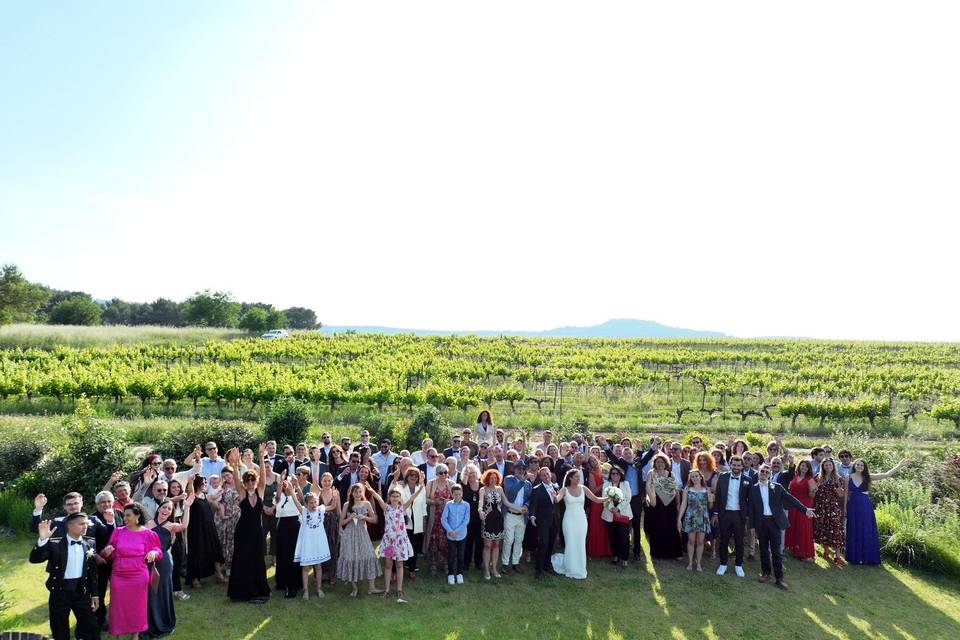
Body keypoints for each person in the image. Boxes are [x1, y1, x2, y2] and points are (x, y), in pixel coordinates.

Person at [31, 513, 101, 640]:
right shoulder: (55, 544)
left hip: (81, 591)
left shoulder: (89, 543)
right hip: (60, 591)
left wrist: (95, 594)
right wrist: (42, 541)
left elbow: (92, 572)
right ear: (69, 525)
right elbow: (35, 559)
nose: (85, 526)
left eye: (86, 524)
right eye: (81, 524)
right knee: (59, 628)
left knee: (91, 627)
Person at [101, 503, 163, 638]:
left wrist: (153, 552)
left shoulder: (148, 534)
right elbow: (109, 553)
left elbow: (159, 551)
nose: (125, 518)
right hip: (119, 575)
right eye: (124, 515)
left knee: (137, 607)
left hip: (139, 576)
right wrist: (107, 551)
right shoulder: (118, 531)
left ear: (138, 516)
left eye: (128, 515)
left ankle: (135, 635)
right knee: (118, 607)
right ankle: (118, 635)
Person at [749, 464, 816, 589]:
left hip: (775, 523)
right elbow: (751, 509)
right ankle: (766, 573)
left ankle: (779, 578)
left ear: (770, 474)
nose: (764, 473)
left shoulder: (777, 487)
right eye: (762, 471)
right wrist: (752, 527)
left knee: (776, 552)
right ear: (758, 472)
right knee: (763, 550)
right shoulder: (753, 489)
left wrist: (805, 509)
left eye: (767, 472)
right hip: (761, 523)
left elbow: (791, 499)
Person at [225, 445, 271, 603]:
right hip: (243, 531)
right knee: (242, 559)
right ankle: (240, 592)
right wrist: (236, 463)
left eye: (253, 480)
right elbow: (236, 479)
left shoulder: (260, 491)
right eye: (248, 481)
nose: (250, 483)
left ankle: (258, 591)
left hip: (257, 531)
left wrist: (261, 456)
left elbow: (263, 475)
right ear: (245, 483)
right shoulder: (242, 492)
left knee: (257, 559)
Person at [145, 496, 194, 637]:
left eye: (169, 509)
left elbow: (184, 526)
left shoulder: (170, 525)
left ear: (171, 512)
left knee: (163, 589)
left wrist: (187, 507)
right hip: (148, 561)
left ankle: (164, 620)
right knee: (151, 590)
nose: (166, 510)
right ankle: (151, 621)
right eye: (164, 507)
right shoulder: (148, 524)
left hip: (164, 562)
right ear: (158, 509)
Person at [846, 458, 908, 565]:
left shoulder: (868, 477)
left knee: (866, 529)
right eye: (858, 465)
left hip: (865, 506)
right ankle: (854, 557)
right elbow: (846, 495)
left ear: (864, 467)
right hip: (853, 506)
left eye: (861, 465)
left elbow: (886, 475)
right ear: (854, 466)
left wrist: (899, 465)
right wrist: (844, 509)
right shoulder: (848, 477)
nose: (859, 466)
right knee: (854, 528)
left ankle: (868, 557)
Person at [369, 485, 421, 603]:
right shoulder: (386, 508)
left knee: (399, 565)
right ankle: (386, 589)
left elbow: (411, 499)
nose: (395, 498)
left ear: (400, 498)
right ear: (390, 497)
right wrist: (371, 490)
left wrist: (419, 490)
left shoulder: (402, 508)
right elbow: (378, 499)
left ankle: (399, 589)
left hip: (400, 541)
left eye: (397, 496)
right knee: (388, 565)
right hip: (389, 542)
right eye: (393, 496)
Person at [551, 469, 607, 579]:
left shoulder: (583, 488)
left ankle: (580, 568)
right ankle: (570, 568)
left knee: (580, 543)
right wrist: (554, 495)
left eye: (579, 476)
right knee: (570, 542)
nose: (578, 478)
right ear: (570, 478)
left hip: (581, 520)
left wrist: (609, 497)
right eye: (576, 476)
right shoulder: (564, 490)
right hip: (569, 520)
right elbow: (557, 500)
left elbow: (596, 499)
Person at [337, 483, 384, 597]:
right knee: (351, 558)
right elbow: (341, 522)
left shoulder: (366, 503)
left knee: (370, 556)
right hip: (350, 534)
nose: (357, 494)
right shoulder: (347, 505)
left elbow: (374, 520)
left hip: (363, 533)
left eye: (359, 492)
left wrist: (365, 517)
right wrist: (350, 518)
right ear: (351, 493)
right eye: (355, 492)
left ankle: (372, 587)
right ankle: (354, 588)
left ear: (362, 493)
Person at [712, 455, 751, 577]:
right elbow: (718, 496)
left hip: (739, 515)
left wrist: (747, 515)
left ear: (742, 466)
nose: (736, 467)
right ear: (730, 465)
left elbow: (750, 500)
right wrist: (716, 513)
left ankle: (738, 565)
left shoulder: (747, 480)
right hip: (725, 514)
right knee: (724, 540)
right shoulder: (723, 477)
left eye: (739, 465)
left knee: (739, 541)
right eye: (734, 465)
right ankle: (723, 564)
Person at [290, 490, 331, 601]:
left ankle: (319, 588)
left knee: (318, 566)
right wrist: (292, 491)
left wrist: (336, 497)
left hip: (317, 542)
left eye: (315, 502)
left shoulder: (320, 510)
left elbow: (333, 506)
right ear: (306, 504)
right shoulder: (303, 512)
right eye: (311, 503)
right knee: (305, 567)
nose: (313, 505)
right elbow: (296, 501)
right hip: (307, 542)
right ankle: (306, 590)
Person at [185, 475, 225, 587]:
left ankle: (218, 574)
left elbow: (217, 496)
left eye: (205, 483)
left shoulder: (205, 496)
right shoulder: (192, 497)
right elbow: (190, 490)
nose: (205, 485)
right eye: (202, 483)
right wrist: (191, 481)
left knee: (214, 548)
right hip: (197, 529)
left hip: (209, 527)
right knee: (197, 551)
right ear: (197, 484)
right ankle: (194, 578)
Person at [645, 453, 683, 560]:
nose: (660, 464)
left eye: (662, 462)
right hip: (656, 503)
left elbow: (676, 491)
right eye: (657, 462)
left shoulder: (671, 474)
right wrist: (651, 499)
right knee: (657, 528)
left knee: (671, 527)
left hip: (670, 504)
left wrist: (678, 504)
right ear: (654, 464)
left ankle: (674, 553)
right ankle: (657, 553)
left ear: (666, 463)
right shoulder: (651, 473)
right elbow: (648, 486)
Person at [391, 468, 427, 579]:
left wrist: (424, 518)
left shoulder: (421, 488)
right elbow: (391, 491)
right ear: (407, 476)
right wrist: (394, 480)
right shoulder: (400, 487)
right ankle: (394, 571)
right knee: (399, 545)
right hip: (404, 520)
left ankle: (412, 568)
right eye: (411, 475)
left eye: (416, 476)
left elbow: (423, 504)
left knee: (414, 545)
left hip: (417, 520)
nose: (413, 477)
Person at [478, 468, 513, 579]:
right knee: (487, 545)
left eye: (495, 478)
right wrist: (480, 511)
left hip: (498, 520)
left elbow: (506, 502)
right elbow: (480, 502)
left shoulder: (500, 489)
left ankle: (494, 568)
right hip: (487, 520)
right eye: (491, 478)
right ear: (487, 479)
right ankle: (487, 570)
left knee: (496, 544)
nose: (493, 480)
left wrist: (519, 508)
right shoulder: (483, 490)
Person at [676, 469, 712, 571]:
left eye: (696, 476)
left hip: (702, 517)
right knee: (691, 541)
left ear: (701, 477)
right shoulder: (687, 489)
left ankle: (699, 563)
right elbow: (683, 504)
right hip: (690, 517)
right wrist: (679, 518)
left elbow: (710, 505)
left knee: (700, 542)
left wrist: (711, 500)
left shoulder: (706, 489)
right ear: (690, 478)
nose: (695, 478)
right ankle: (690, 563)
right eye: (692, 476)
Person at [813, 458, 846, 565]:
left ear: (833, 466)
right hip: (821, 507)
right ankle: (826, 551)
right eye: (826, 465)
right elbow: (814, 493)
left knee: (836, 530)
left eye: (830, 465)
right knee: (823, 529)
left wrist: (839, 492)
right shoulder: (818, 478)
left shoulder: (838, 479)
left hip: (833, 507)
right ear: (823, 466)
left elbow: (841, 495)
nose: (828, 467)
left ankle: (837, 556)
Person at [501, 459, 531, 573]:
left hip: (522, 516)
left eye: (523, 469)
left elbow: (529, 498)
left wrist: (527, 506)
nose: (521, 470)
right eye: (519, 468)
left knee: (519, 540)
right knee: (508, 540)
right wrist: (522, 481)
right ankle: (505, 563)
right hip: (510, 514)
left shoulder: (528, 483)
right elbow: (511, 492)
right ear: (514, 469)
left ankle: (515, 562)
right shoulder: (508, 479)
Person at [601, 466, 633, 568]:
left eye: (617, 474)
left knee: (624, 537)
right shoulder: (606, 484)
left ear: (621, 475)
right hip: (609, 515)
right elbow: (604, 499)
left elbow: (628, 498)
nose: (615, 475)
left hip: (623, 513)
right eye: (613, 473)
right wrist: (613, 510)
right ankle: (615, 555)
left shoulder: (625, 484)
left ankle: (624, 558)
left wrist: (618, 509)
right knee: (612, 536)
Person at [529, 466, 558, 579]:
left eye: (547, 474)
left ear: (550, 475)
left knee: (551, 543)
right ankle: (539, 569)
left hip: (554, 520)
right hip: (543, 520)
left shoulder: (556, 486)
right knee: (543, 543)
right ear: (540, 477)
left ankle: (547, 565)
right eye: (543, 475)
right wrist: (532, 516)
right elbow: (533, 504)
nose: (546, 476)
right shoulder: (537, 489)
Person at [424, 464, 454, 575]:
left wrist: (449, 501)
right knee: (433, 540)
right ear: (436, 474)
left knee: (446, 541)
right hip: (434, 517)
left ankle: (446, 563)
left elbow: (457, 498)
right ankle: (433, 563)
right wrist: (434, 502)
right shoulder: (431, 484)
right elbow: (425, 499)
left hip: (447, 518)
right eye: (441, 473)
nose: (443, 475)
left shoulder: (451, 484)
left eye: (445, 472)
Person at [786, 460, 817, 560]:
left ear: (808, 469)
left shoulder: (810, 479)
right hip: (793, 505)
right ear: (799, 467)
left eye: (806, 467)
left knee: (803, 528)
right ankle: (794, 550)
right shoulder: (794, 477)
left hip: (804, 506)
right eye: (802, 466)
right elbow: (789, 489)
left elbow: (812, 495)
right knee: (793, 526)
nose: (804, 468)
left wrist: (813, 491)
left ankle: (805, 553)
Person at [441, 484, 470, 585]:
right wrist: (450, 531)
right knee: (452, 555)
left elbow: (466, 520)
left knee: (461, 555)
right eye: (455, 494)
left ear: (462, 494)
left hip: (461, 534)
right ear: (452, 494)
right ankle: (451, 574)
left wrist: (457, 531)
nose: (457, 496)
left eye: (459, 494)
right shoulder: (449, 504)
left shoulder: (466, 505)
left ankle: (460, 573)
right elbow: (444, 519)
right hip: (451, 535)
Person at [460, 463, 484, 572]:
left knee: (480, 541)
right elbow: (461, 492)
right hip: (467, 518)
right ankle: (466, 563)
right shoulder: (463, 486)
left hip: (479, 518)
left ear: (477, 473)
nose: (472, 476)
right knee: (468, 541)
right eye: (469, 474)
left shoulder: (482, 485)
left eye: (473, 473)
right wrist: (465, 475)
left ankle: (478, 562)